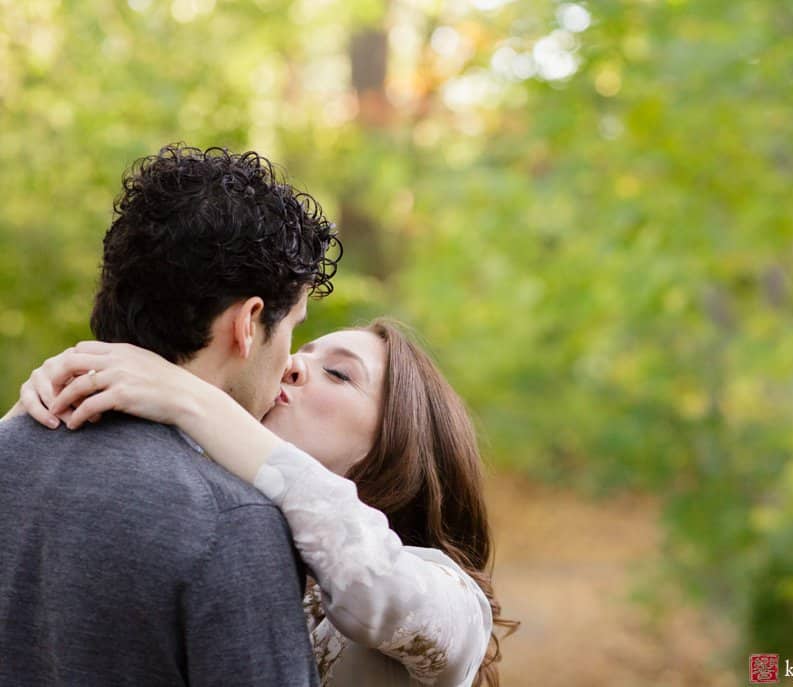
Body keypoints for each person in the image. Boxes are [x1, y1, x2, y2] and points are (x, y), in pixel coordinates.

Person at [11, 319, 516, 687]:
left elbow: (369, 582)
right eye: (305, 350)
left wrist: (193, 399)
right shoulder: (212, 522)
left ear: (398, 450)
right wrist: (39, 413)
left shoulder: (456, 606)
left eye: (339, 374)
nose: (293, 365)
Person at [0, 143, 338, 686]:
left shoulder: (8, 447)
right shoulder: (230, 521)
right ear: (248, 323)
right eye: (293, 325)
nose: (292, 361)